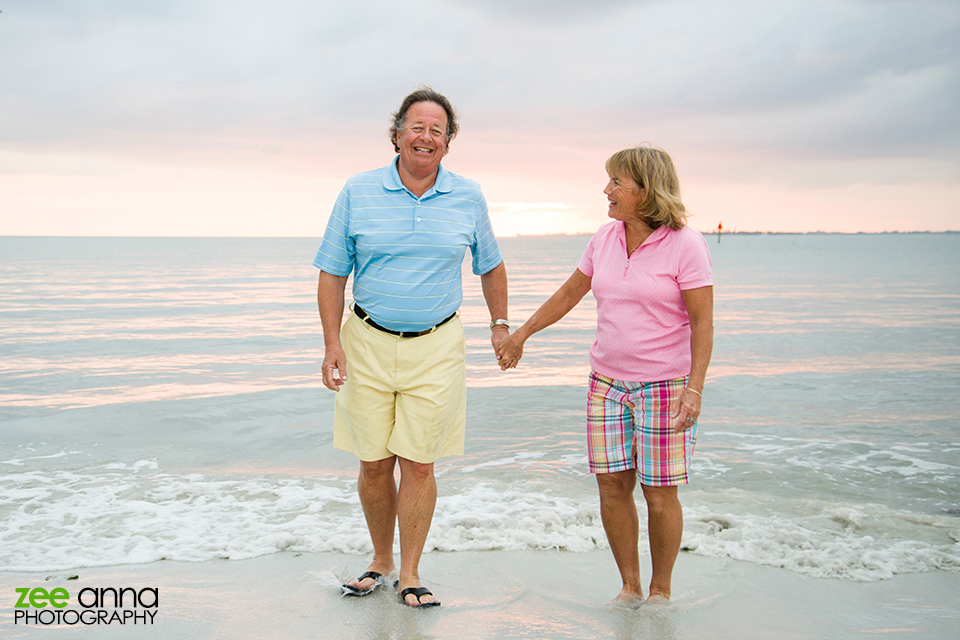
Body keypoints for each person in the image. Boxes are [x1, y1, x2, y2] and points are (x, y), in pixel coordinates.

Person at [313, 88, 509, 608]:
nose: (426, 137)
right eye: (417, 127)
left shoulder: (468, 196)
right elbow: (332, 272)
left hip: (437, 345)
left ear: (449, 143)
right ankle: (381, 561)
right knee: (375, 462)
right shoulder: (358, 191)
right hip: (367, 341)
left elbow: (489, 264)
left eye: (437, 130)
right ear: (397, 133)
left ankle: (412, 572)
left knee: (420, 463)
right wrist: (332, 343)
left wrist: (500, 325)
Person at [498, 145, 713, 605]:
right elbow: (570, 292)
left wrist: (694, 388)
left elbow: (703, 323)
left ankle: (661, 591)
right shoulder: (604, 237)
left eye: (617, 182)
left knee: (658, 493)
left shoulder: (687, 244)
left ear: (646, 189)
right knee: (612, 485)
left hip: (665, 386)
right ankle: (630, 587)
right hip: (606, 385)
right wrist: (521, 335)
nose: (606, 190)